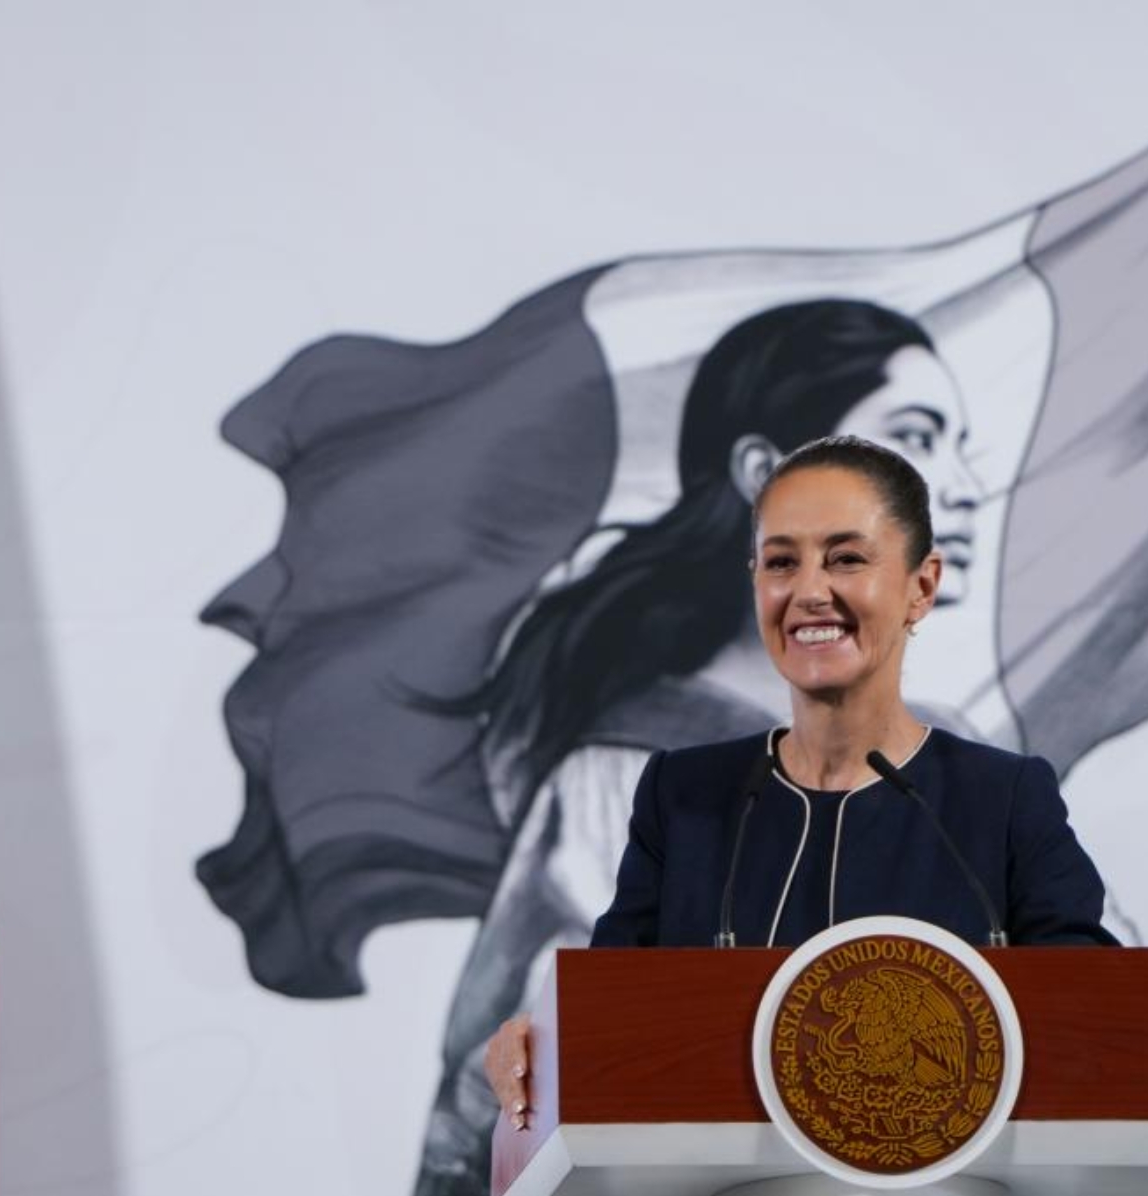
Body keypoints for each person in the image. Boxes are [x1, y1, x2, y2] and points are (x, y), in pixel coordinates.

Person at [415, 301, 988, 1194]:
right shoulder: (630, 780)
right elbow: (508, 1106)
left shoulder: (977, 775)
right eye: (914, 438)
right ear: (767, 479)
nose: (959, 486)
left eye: (960, 446)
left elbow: (1106, 1058)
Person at [481, 433, 1116, 1126]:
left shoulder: (1002, 801)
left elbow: (1092, 1018)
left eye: (846, 559)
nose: (809, 592)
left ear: (921, 586)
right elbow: (607, 1013)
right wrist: (534, 1044)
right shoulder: (682, 796)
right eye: (781, 562)